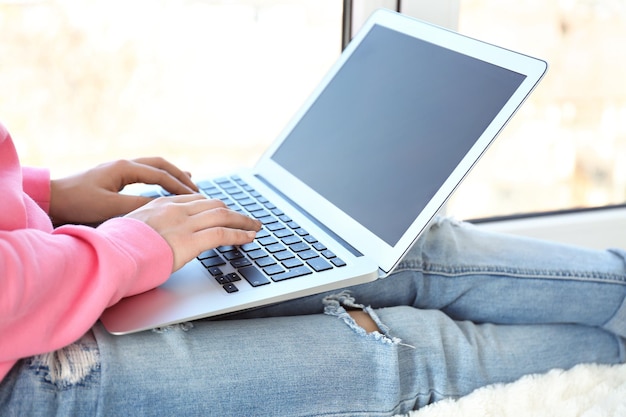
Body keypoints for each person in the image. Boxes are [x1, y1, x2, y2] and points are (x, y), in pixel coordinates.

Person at [1, 119, 625, 417]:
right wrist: (123, 249)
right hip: (17, 362)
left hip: (35, 255)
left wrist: (37, 194)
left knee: (403, 253)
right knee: (408, 349)